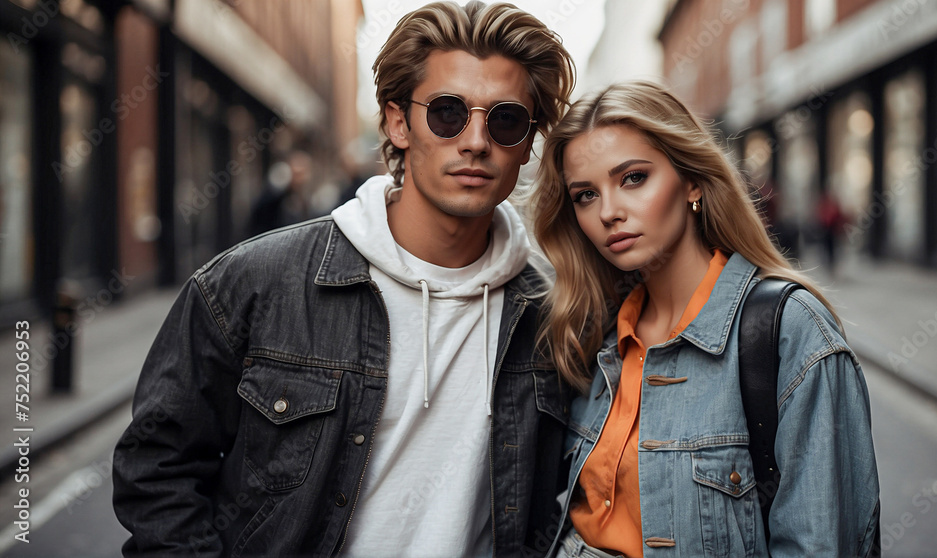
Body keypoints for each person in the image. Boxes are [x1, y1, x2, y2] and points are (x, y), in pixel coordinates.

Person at [112, 3, 575, 557]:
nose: (476, 141)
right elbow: (155, 468)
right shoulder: (252, 285)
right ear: (397, 122)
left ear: (527, 143)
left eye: (504, 120)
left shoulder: (557, 315)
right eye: (448, 113)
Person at [530, 81, 880, 557]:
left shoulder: (788, 331)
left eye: (633, 178)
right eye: (585, 195)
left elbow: (821, 543)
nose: (608, 212)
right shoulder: (594, 332)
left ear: (692, 180)